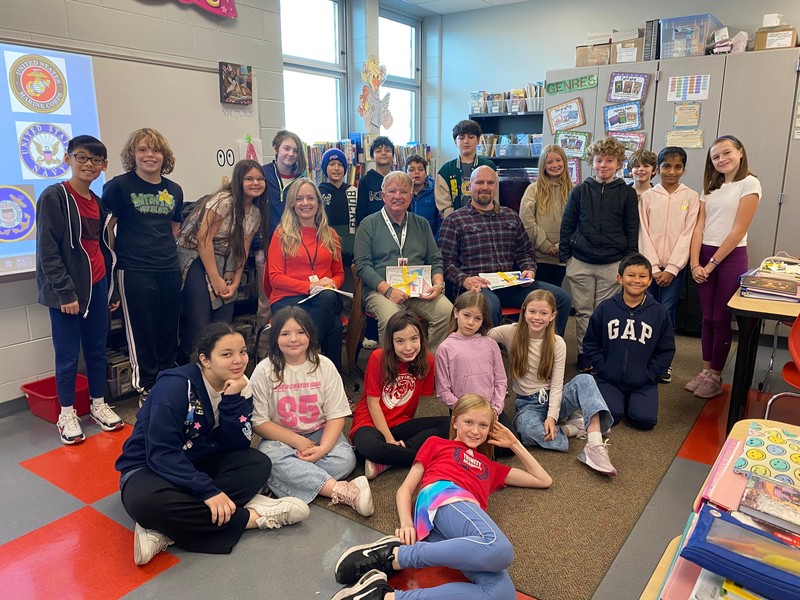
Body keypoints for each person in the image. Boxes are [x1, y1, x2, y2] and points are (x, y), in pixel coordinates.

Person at [115, 323, 310, 566]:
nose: (238, 360)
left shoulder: (241, 385)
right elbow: (161, 452)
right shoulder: (175, 386)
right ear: (205, 360)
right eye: (226, 354)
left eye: (242, 352)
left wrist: (231, 402)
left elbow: (238, 444)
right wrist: (208, 490)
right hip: (149, 468)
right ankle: (251, 517)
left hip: (198, 462)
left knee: (257, 464)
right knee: (145, 503)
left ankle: (166, 530)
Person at [330, 393, 552, 600]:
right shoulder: (437, 444)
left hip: (451, 529)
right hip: (442, 498)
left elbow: (543, 480)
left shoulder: (491, 467)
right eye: (469, 422)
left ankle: (382, 596)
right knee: (500, 549)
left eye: (483, 425)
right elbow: (405, 489)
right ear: (454, 422)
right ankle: (394, 555)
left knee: (501, 593)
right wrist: (406, 523)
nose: (476, 431)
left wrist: (514, 443)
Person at [35, 134, 124, 444]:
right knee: (68, 356)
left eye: (96, 160)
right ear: (67, 159)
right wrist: (65, 293)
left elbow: (101, 250)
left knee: (97, 351)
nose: (89, 164)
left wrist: (109, 290)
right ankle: (67, 413)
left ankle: (98, 405)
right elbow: (48, 251)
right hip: (69, 294)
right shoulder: (55, 197)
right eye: (82, 158)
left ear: (104, 165)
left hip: (97, 287)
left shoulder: (97, 203)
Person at [251, 307, 373, 517]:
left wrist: (324, 448)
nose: (293, 339)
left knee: (345, 458)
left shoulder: (324, 366)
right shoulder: (264, 370)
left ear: (310, 334)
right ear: (275, 337)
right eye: (285, 333)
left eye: (300, 332)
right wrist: (298, 442)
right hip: (281, 439)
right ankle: (342, 490)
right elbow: (259, 422)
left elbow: (336, 415)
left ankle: (282, 480)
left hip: (319, 432)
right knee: (267, 457)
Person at [490, 290, 617, 476]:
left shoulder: (557, 342)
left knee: (586, 379)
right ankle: (575, 428)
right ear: (524, 311)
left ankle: (595, 444)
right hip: (527, 404)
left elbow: (557, 385)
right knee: (525, 430)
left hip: (553, 398)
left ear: (553, 316)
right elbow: (482, 335)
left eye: (543, 313)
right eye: (532, 311)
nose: (537, 317)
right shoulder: (510, 332)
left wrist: (551, 417)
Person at [438, 165, 571, 336]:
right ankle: (488, 355)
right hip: (477, 287)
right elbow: (445, 261)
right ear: (469, 187)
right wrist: (465, 280)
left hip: (511, 284)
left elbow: (525, 252)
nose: (485, 187)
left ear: (496, 186)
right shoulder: (455, 220)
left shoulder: (511, 216)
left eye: (490, 183)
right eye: (479, 182)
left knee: (561, 298)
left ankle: (546, 351)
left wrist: (529, 269)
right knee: (490, 306)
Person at [102, 127, 184, 404]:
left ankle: (167, 379)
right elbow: (108, 228)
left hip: (168, 268)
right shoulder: (119, 186)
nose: (150, 155)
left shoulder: (174, 190)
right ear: (133, 155)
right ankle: (146, 386)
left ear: (164, 156)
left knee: (168, 328)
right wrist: (115, 262)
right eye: (143, 150)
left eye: (156, 150)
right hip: (133, 269)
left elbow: (174, 226)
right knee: (141, 331)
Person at [687, 136, 761, 399]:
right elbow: (699, 226)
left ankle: (717, 376)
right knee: (707, 318)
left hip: (730, 257)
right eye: (715, 157)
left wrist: (711, 264)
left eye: (726, 153)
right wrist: (695, 263)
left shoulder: (750, 183)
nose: (721, 160)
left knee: (721, 318)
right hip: (704, 256)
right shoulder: (709, 187)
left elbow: (738, 229)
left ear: (740, 152)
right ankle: (706, 372)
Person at [560, 136, 639, 372]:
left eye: (609, 160)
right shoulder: (580, 191)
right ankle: (585, 353)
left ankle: (600, 352)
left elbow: (631, 228)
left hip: (613, 262)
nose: (603, 165)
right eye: (598, 160)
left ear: (618, 163)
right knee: (584, 312)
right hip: (581, 262)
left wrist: (628, 262)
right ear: (591, 162)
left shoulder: (627, 193)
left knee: (604, 312)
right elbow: (568, 224)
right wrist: (566, 255)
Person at [176, 159, 264, 363]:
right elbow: (203, 240)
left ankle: (216, 371)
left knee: (223, 320)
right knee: (200, 320)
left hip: (226, 261)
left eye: (260, 179)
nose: (255, 183)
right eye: (249, 178)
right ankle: (188, 368)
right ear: (238, 181)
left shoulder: (256, 213)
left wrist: (235, 282)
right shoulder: (224, 200)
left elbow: (242, 249)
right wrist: (215, 279)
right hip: (194, 255)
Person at [353, 171, 452, 349]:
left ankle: (427, 363)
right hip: (381, 291)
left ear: (412, 195)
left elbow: (435, 259)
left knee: (447, 312)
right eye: (392, 191)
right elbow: (362, 266)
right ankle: (391, 371)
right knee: (393, 318)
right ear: (383, 195)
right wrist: (388, 290)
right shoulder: (368, 225)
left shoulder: (422, 224)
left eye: (404, 191)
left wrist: (438, 285)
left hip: (418, 290)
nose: (398, 196)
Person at [349, 311, 450, 481]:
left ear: (421, 339)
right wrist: (389, 439)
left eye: (414, 339)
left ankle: (389, 459)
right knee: (370, 448)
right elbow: (372, 404)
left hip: (401, 424)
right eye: (400, 341)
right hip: (369, 423)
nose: (409, 347)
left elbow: (427, 397)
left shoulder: (427, 360)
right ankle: (433, 457)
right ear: (391, 342)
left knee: (450, 424)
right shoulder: (378, 357)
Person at [583, 254, 676, 430]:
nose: (636, 280)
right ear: (620, 278)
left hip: (643, 380)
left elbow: (666, 350)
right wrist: (603, 368)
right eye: (631, 275)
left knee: (644, 421)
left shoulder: (658, 312)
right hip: (609, 377)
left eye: (642, 276)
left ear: (649, 281)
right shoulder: (606, 308)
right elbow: (590, 343)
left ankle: (632, 399)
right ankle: (617, 399)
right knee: (611, 416)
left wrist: (650, 375)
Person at [267, 179, 345, 372]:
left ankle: (305, 365)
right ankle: (316, 366)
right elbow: (274, 277)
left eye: (310, 198)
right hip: (288, 299)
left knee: (327, 295)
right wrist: (310, 286)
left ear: (319, 203)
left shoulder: (331, 235)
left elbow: (339, 274)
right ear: (292, 204)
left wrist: (331, 283)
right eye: (299, 198)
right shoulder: (281, 234)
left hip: (322, 299)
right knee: (334, 325)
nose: (305, 203)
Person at [638, 146, 700, 382]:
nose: (671, 172)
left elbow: (688, 234)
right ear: (657, 169)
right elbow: (643, 232)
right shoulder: (648, 197)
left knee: (667, 311)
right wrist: (653, 268)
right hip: (649, 268)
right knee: (646, 309)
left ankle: (664, 362)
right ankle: (644, 357)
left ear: (684, 169)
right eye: (666, 166)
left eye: (677, 167)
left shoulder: (691, 197)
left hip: (675, 269)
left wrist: (672, 269)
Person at [434, 292, 513, 433]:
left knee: (508, 443)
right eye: (466, 315)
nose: (471, 322)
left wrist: (495, 408)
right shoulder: (445, 348)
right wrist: (467, 410)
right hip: (463, 411)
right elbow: (443, 391)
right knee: (472, 442)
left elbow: (500, 381)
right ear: (456, 312)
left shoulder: (491, 344)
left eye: (477, 318)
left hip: (490, 409)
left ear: (483, 321)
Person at [519, 144, 572, 287]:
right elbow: (526, 221)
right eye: (549, 162)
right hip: (538, 258)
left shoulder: (574, 190)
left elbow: (579, 223)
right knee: (539, 297)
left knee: (556, 297)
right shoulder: (533, 189)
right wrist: (544, 245)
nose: (555, 165)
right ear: (543, 165)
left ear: (564, 162)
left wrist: (561, 246)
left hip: (562, 258)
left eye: (558, 160)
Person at [435, 119, 496, 217]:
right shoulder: (445, 170)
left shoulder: (489, 167)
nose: (466, 141)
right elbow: (444, 205)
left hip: (486, 221)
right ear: (455, 142)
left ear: (478, 140)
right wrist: (455, 221)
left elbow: (494, 197)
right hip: (456, 223)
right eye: (461, 138)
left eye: (471, 137)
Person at [261, 129, 307, 244]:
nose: (291, 154)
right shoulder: (262, 174)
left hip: (293, 242)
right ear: (276, 148)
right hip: (264, 241)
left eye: (295, 151)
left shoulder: (301, 182)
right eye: (286, 149)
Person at [318, 148, 357, 268]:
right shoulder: (318, 192)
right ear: (325, 168)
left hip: (351, 249)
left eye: (340, 165)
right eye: (332, 164)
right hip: (328, 245)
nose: (336, 168)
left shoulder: (353, 192)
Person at [356, 136, 395, 226]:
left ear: (393, 156)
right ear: (372, 157)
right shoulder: (365, 181)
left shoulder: (398, 180)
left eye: (387, 150)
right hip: (372, 230)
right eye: (378, 151)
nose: (383, 153)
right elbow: (361, 213)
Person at [405, 154, 440, 239]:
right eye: (412, 169)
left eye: (420, 169)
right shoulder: (402, 194)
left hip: (430, 241)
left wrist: (434, 243)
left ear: (426, 173)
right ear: (406, 173)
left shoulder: (436, 192)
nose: (417, 172)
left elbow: (440, 222)